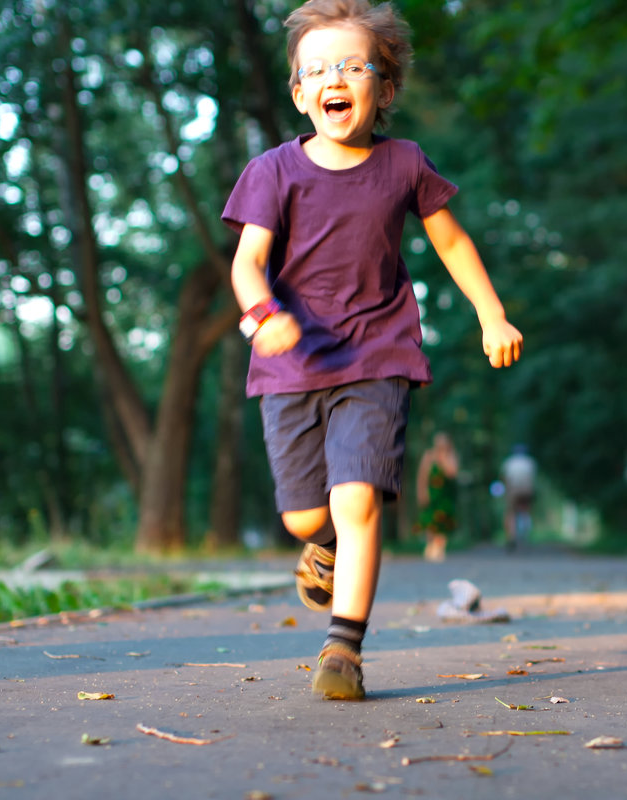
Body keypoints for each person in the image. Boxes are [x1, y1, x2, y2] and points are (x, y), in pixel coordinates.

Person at [222, 0, 522, 701]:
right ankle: (318, 548)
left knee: (358, 498)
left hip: (378, 356)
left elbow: (450, 240)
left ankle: (343, 648)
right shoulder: (272, 171)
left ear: (383, 89)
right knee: (306, 515)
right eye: (318, 69)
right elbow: (247, 263)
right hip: (290, 362)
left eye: (353, 65)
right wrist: (261, 315)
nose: (335, 78)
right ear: (300, 92)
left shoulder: (403, 165)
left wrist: (492, 314)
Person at [415, 431, 459, 562]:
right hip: (432, 493)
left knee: (443, 521)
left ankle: (440, 547)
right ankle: (430, 546)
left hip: (445, 495)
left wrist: (444, 459)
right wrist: (422, 492)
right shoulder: (428, 456)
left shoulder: (451, 456)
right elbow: (422, 476)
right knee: (429, 521)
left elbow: (452, 474)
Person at [500, 444, 536, 551]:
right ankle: (525, 531)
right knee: (525, 510)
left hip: (513, 489)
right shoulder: (530, 462)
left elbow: (504, 478)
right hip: (527, 490)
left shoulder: (508, 462)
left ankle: (511, 536)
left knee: (511, 512)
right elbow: (532, 477)